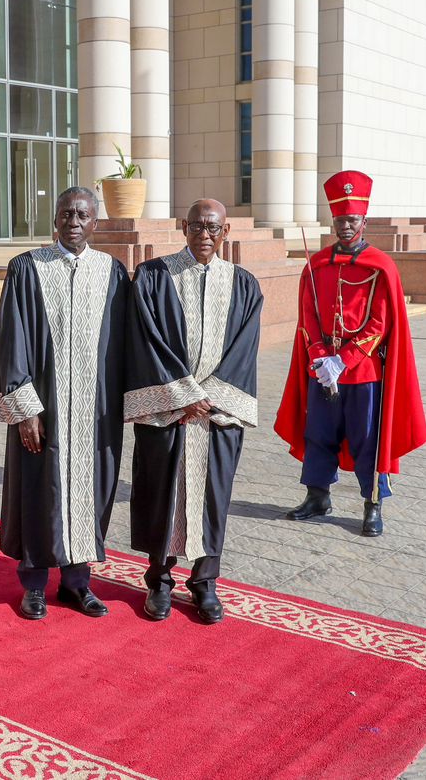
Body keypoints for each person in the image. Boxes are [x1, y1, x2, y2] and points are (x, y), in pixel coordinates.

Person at [0, 186, 130, 621]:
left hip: (94, 412)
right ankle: (33, 584)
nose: (74, 221)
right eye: (67, 213)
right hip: (44, 412)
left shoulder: (113, 274)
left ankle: (77, 583)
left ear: (95, 223)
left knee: (90, 490)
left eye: (83, 214)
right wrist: (25, 409)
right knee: (38, 491)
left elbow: (126, 345)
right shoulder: (27, 268)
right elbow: (12, 340)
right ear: (55, 219)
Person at [123, 199, 263, 623]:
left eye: (214, 228)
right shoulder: (152, 277)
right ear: (184, 227)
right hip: (167, 411)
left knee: (213, 498)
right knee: (159, 493)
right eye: (198, 226)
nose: (205, 234)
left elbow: (245, 351)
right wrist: (184, 394)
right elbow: (144, 339)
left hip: (217, 415)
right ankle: (159, 582)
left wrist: (210, 397)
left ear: (226, 231)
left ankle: (205, 584)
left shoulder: (244, 285)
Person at [274, 170, 426, 536]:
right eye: (341, 219)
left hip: (362, 372)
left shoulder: (381, 266)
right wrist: (320, 356)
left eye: (352, 219)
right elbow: (308, 316)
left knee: (367, 439)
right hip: (322, 367)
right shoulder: (317, 265)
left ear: (364, 220)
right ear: (334, 220)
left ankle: (372, 503)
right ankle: (317, 496)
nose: (346, 226)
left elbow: (380, 323)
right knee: (319, 433)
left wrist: (344, 360)